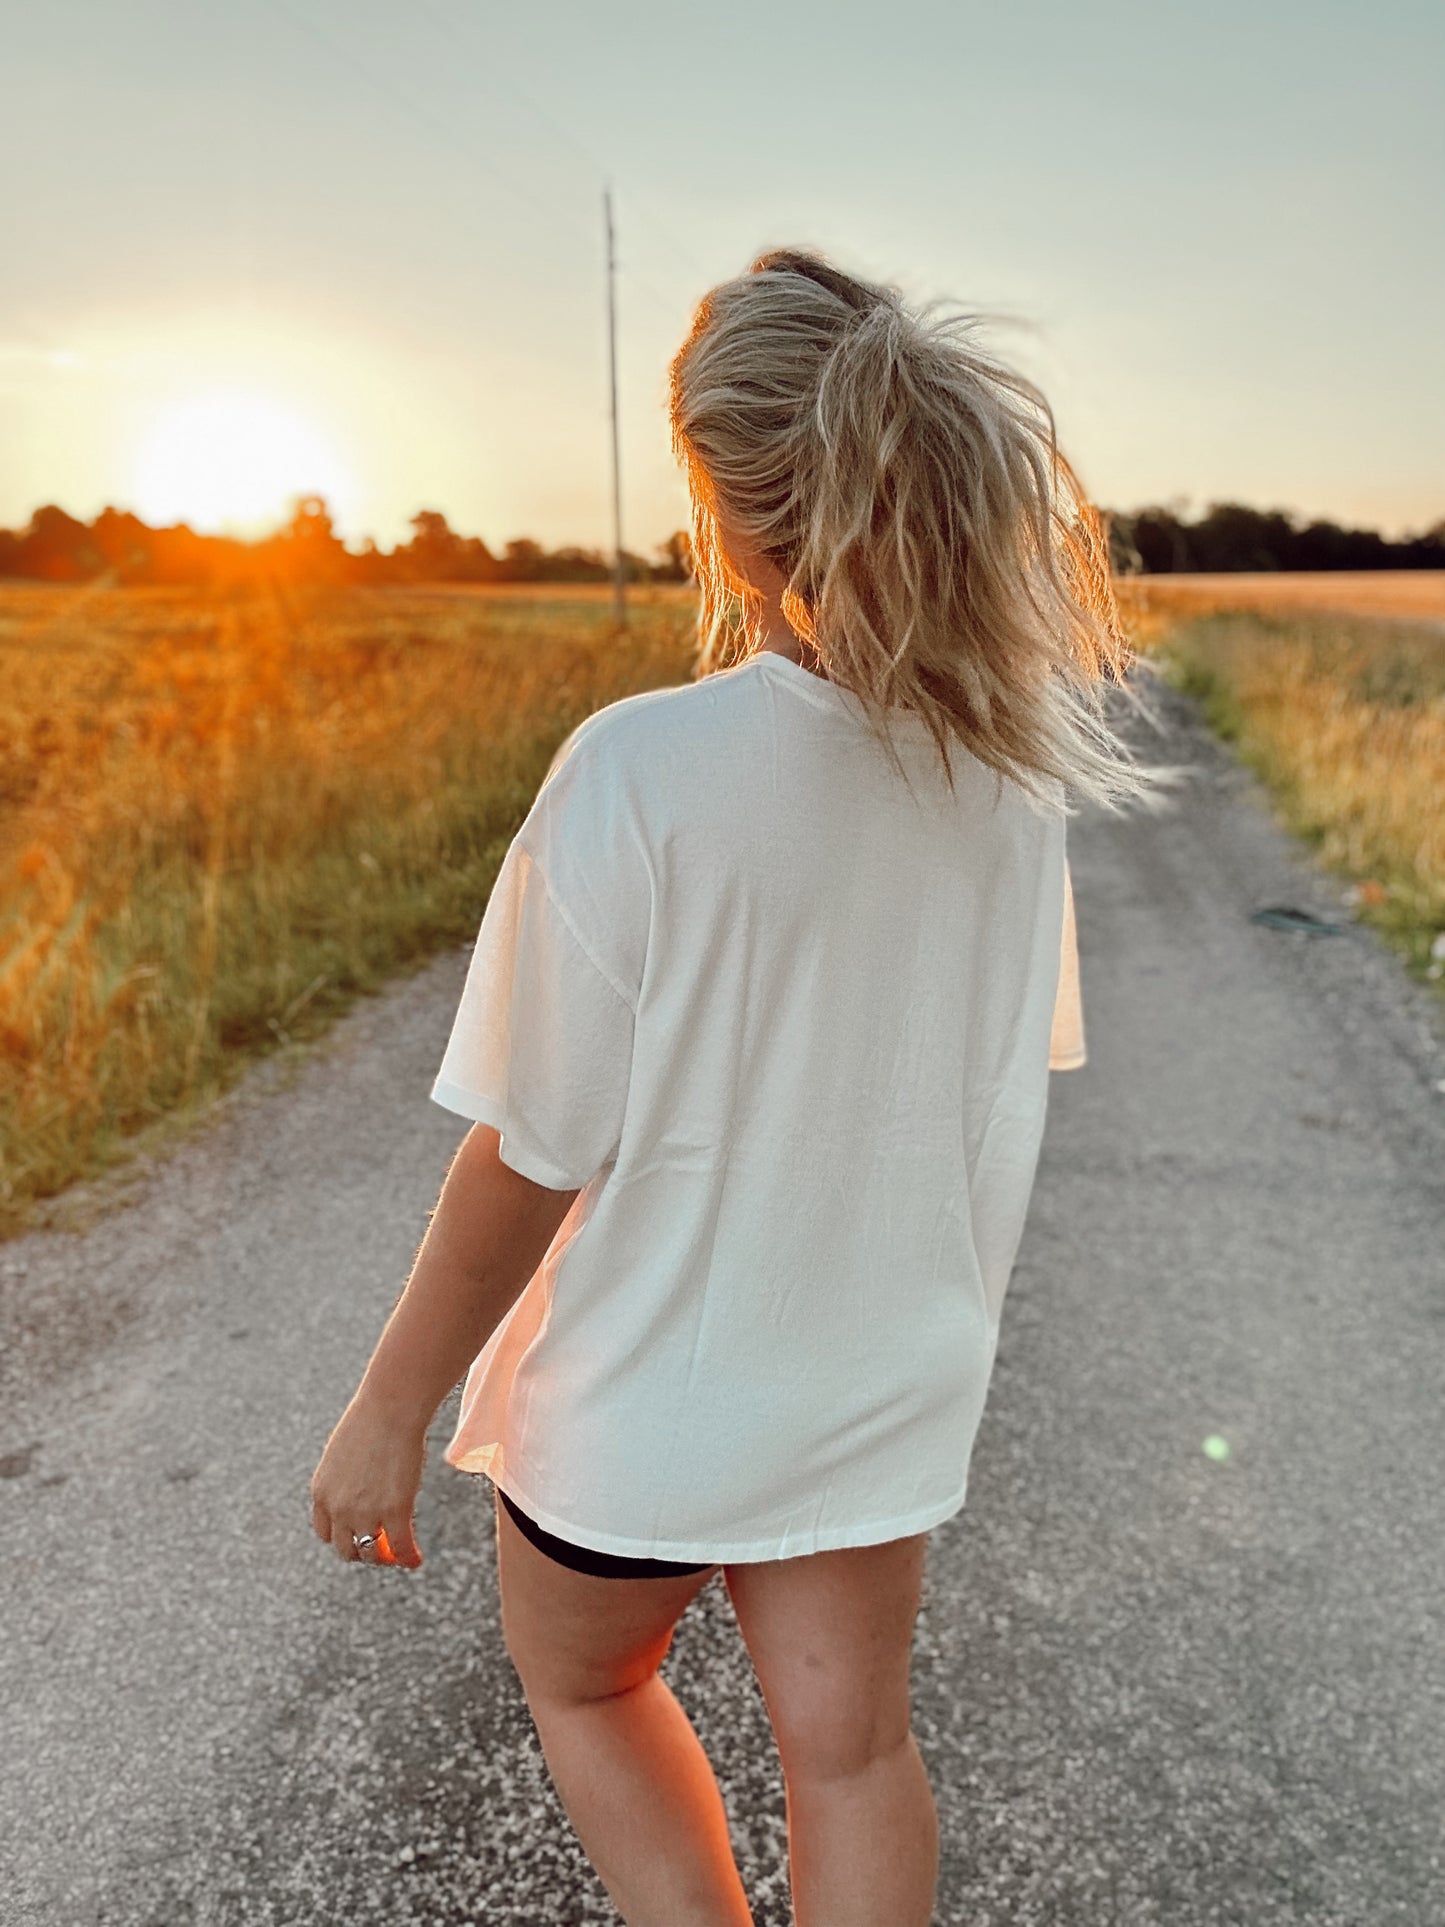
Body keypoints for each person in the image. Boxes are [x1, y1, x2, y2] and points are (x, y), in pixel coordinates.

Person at [310, 247, 1181, 1926]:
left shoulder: (640, 768)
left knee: (585, 1687)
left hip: (642, 1407)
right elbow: (978, 1076)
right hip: (876, 1385)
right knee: (851, 1757)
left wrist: (385, 1410)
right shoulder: (1006, 785)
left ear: (721, 506)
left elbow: (529, 1150)